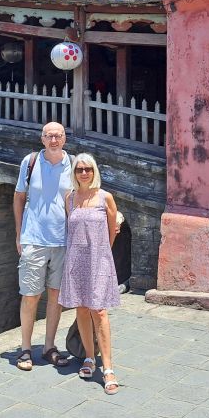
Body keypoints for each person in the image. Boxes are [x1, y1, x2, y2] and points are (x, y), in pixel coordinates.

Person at [59, 153, 121, 395]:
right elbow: (70, 228)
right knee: (82, 309)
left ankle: (108, 367)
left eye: (88, 169)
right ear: (74, 174)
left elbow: (112, 230)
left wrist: (103, 253)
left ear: (95, 171)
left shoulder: (105, 197)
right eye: (79, 169)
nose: (84, 173)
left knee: (100, 311)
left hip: (99, 260)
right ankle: (88, 357)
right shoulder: (70, 198)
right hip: (76, 260)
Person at [12, 121, 72, 371]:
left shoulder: (75, 164)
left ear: (65, 138)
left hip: (62, 239)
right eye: (49, 136)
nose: (54, 140)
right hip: (34, 238)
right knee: (30, 295)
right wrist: (18, 234)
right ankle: (26, 349)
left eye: (58, 135)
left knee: (56, 296)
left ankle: (49, 347)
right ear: (42, 139)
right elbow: (19, 197)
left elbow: (84, 197)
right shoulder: (30, 162)